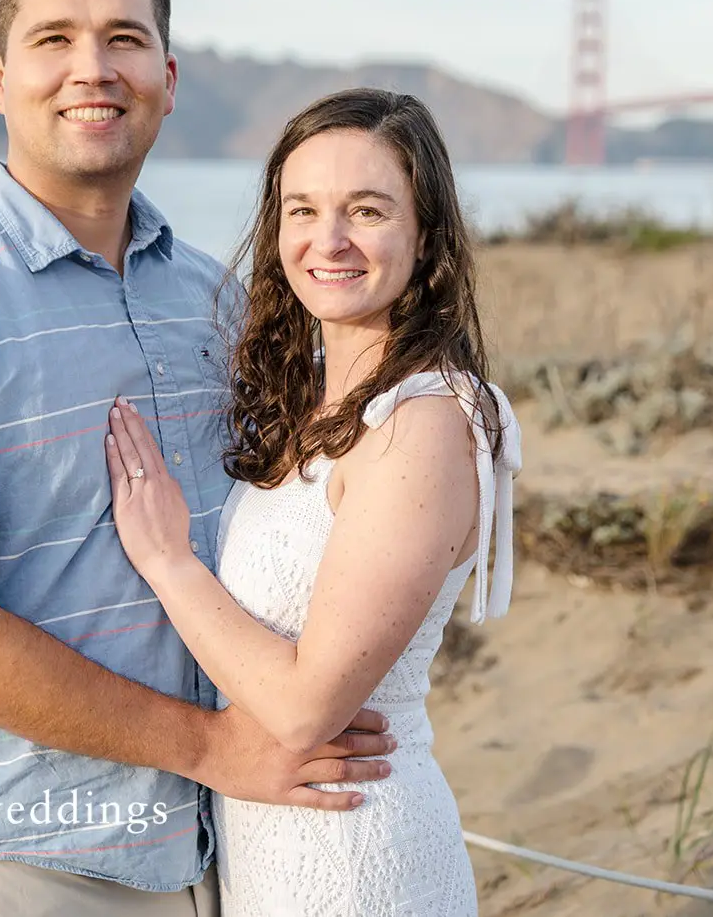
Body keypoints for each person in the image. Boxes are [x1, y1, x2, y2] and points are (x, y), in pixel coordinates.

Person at [0, 0, 394, 916]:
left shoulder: (218, 300)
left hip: (209, 850)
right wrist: (213, 744)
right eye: (54, 40)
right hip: (7, 855)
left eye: (124, 39)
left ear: (167, 77)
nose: (93, 68)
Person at [103, 87, 522, 916]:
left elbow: (304, 708)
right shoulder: (318, 409)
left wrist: (166, 560)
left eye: (366, 210)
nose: (327, 241)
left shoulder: (425, 419)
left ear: (426, 233)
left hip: (358, 853)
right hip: (271, 849)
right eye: (303, 210)